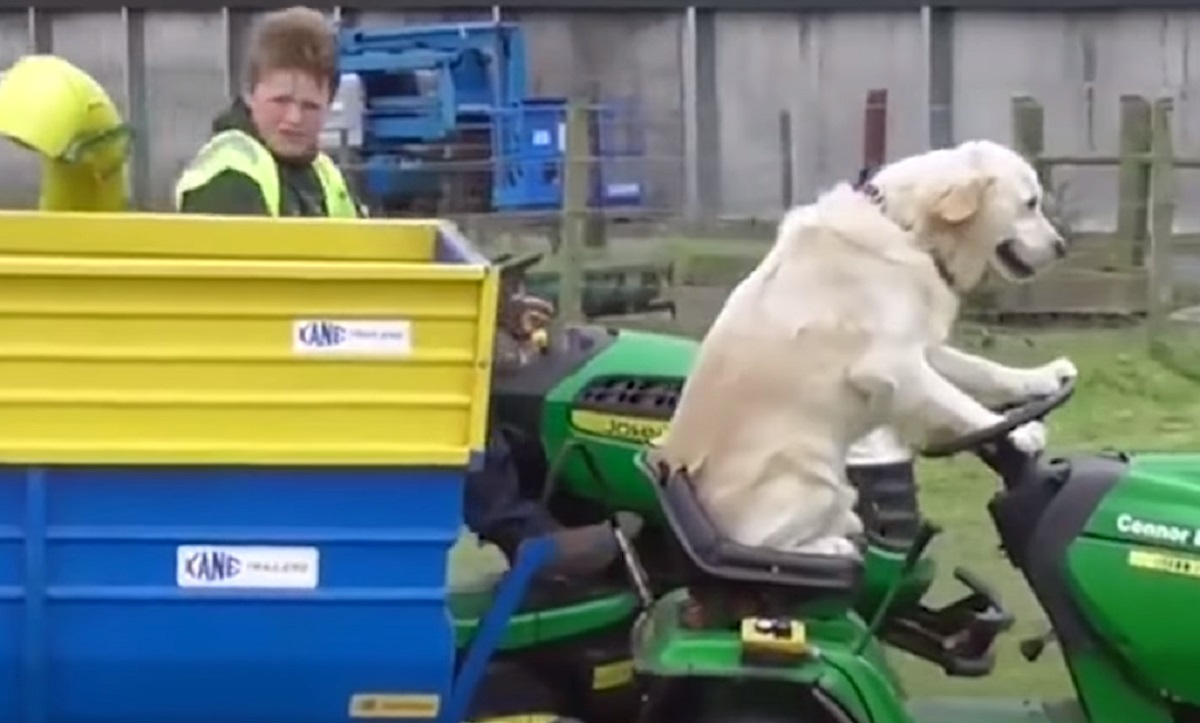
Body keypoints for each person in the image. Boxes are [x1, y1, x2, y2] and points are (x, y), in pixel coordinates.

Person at [173, 6, 641, 582]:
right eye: (280, 100)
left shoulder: (317, 173)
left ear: (329, 104)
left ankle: (558, 528)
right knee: (442, 384)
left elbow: (386, 254)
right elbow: (253, 308)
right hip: (263, 379)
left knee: (500, 376)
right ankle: (526, 541)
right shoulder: (232, 174)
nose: (294, 118)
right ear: (250, 92)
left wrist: (494, 303)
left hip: (306, 354)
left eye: (310, 105)